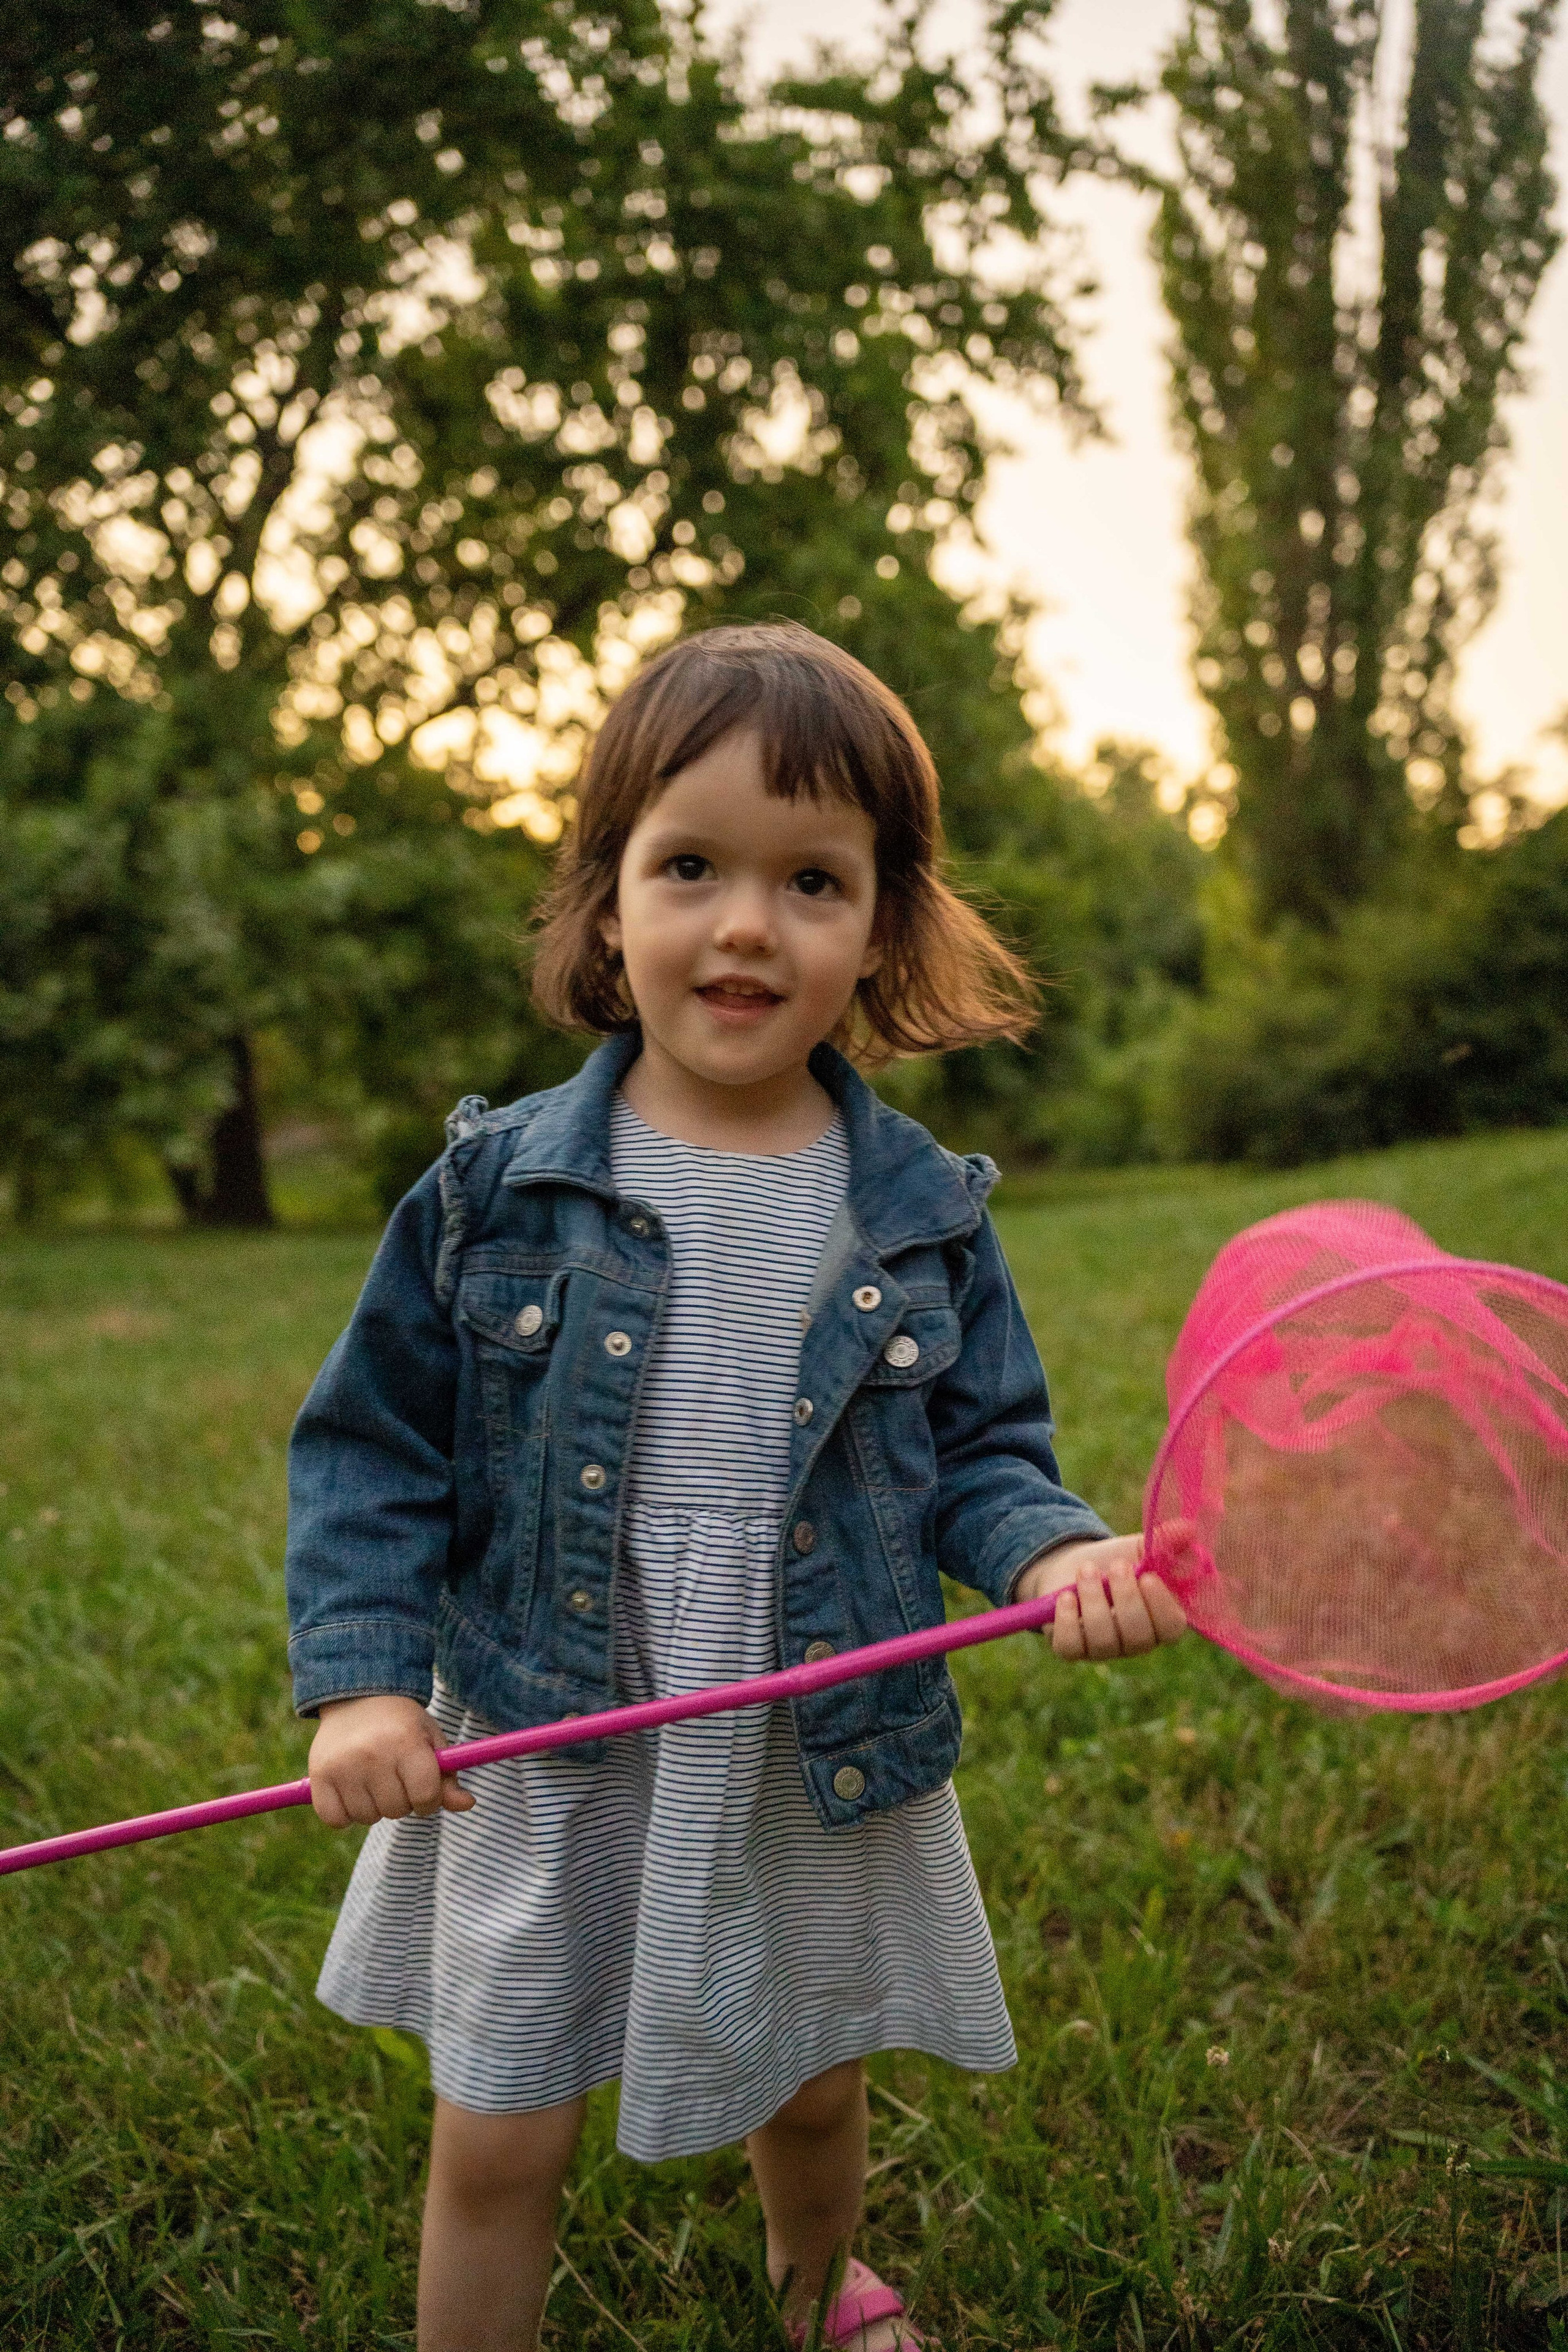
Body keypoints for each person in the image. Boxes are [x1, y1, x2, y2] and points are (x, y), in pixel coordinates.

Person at [285, 620, 1186, 2352]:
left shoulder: (916, 1211)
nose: (749, 925)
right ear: (606, 901)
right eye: (691, 865)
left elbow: (981, 1455)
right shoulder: (497, 1191)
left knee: (813, 2078)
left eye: (813, 881)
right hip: (552, 1727)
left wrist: (1053, 1555)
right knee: (500, 2120)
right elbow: (373, 1449)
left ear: (884, 927)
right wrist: (364, 1688)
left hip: (800, 1726)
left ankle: (813, 2288)